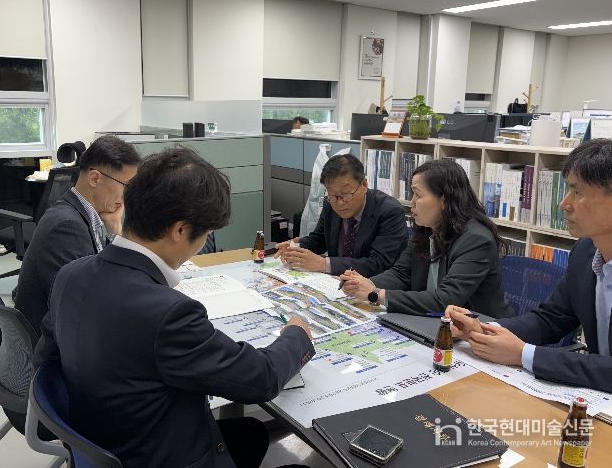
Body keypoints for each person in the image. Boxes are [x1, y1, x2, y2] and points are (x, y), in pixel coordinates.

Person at [33, 147, 315, 468]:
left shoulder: (71, 274)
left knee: (251, 432)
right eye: (206, 234)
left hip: (105, 440)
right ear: (179, 230)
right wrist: (297, 335)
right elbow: (261, 378)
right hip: (159, 455)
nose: (202, 243)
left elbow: (47, 361)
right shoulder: (168, 313)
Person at [447, 139, 612, 393]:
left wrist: (523, 354)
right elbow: (551, 319)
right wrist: (484, 330)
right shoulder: (584, 252)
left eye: (577, 192)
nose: (564, 204)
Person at [340, 159, 514, 318]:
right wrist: (363, 284)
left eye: (418, 195)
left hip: (480, 331)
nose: (412, 202)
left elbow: (445, 300)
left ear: (444, 200)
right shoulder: (427, 228)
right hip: (434, 323)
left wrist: (376, 294)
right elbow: (401, 273)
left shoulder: (476, 240)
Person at [15, 135, 140, 334]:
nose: (129, 196)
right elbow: (92, 305)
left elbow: (102, 278)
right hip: (54, 342)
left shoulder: (79, 212)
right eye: (127, 186)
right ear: (95, 178)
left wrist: (114, 229)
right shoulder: (67, 228)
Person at [275, 153, 408, 277]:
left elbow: (378, 264)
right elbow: (319, 239)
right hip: (335, 282)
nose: (339, 203)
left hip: (371, 285)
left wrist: (324, 264)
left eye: (345, 194)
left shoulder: (390, 212)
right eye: (333, 196)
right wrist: (295, 247)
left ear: (364, 185)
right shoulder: (329, 204)